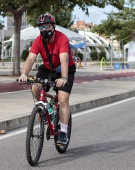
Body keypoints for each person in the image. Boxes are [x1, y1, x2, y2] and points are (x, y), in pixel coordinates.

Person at [18, 13, 76, 144]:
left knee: (63, 99)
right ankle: (49, 111)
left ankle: (64, 132)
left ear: (54, 27)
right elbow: (31, 58)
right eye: (41, 28)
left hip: (64, 68)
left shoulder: (62, 38)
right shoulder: (38, 40)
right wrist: (24, 74)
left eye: (47, 26)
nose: (44, 30)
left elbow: (64, 59)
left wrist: (64, 78)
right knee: (35, 88)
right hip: (47, 68)